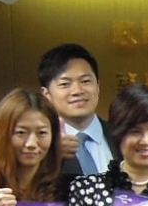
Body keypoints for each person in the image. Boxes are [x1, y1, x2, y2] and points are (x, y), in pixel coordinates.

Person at [0, 88, 68, 206]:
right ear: (3, 134)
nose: (31, 143)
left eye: (42, 133)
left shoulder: (69, 190)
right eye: (21, 133)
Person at [38, 44, 107, 177]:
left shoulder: (121, 136)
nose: (77, 91)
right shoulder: (41, 146)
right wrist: (51, 156)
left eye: (85, 81)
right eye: (65, 84)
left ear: (98, 86)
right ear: (46, 94)